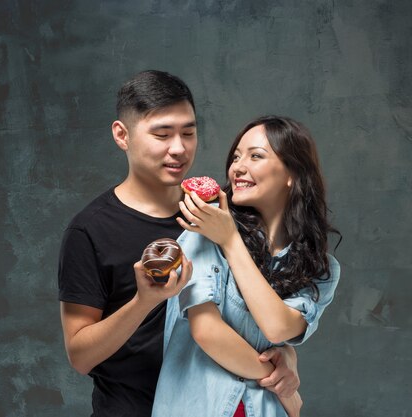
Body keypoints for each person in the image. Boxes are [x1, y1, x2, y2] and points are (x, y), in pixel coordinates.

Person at [58, 71, 301, 417]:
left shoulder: (225, 213)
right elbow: (80, 356)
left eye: (189, 132)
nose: (179, 148)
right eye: (161, 134)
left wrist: (286, 358)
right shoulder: (90, 231)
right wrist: (144, 302)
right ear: (121, 135)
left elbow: (265, 308)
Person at [152, 116, 341, 417]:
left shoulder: (319, 268)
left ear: (292, 173)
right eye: (236, 156)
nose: (238, 167)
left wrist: (230, 242)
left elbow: (278, 327)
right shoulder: (207, 224)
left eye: (255, 156)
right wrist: (285, 387)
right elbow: (207, 332)